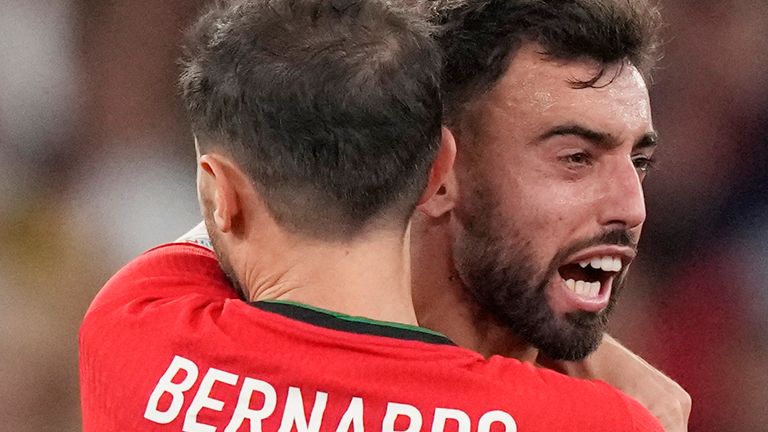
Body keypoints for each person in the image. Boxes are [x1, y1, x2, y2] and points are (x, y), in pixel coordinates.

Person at [80, 0, 665, 430]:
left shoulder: (137, 326)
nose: (631, 207)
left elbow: (246, 214)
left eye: (639, 160)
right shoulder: (599, 420)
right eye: (574, 158)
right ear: (441, 172)